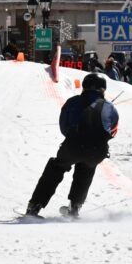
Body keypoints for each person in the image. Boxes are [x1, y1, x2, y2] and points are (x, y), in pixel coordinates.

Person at [25, 73, 119, 218]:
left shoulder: (72, 102)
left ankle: (34, 207)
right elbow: (113, 130)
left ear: (84, 87)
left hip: (73, 145)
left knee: (56, 168)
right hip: (97, 150)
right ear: (103, 89)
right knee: (87, 168)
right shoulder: (110, 107)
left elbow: (64, 127)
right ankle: (75, 207)